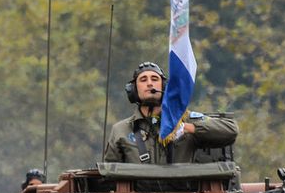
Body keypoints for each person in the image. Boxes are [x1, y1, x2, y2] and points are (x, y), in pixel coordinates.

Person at [102, 61, 238, 164]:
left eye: (155, 79)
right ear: (133, 90)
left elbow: (230, 130)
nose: (149, 84)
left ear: (165, 87)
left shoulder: (184, 119)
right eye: (143, 80)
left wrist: (187, 128)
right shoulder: (121, 130)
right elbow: (110, 174)